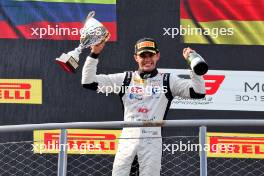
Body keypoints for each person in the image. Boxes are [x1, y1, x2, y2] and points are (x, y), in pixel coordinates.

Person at [81, 38, 206, 176]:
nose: (147, 59)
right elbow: (88, 82)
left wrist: (193, 66)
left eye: (150, 55)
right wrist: (94, 53)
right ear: (136, 57)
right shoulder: (125, 79)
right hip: (128, 140)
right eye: (142, 56)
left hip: (152, 140)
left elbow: (198, 92)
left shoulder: (167, 80)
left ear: (157, 56)